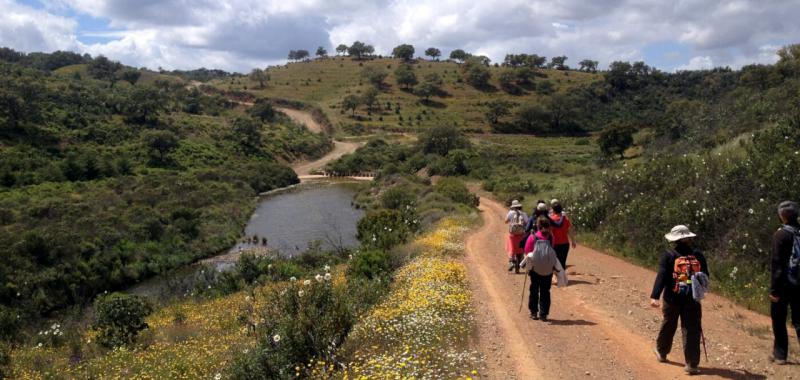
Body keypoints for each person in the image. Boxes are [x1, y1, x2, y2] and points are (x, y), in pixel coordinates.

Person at [650, 225, 709, 375]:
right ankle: (692, 364)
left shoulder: (669, 255)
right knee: (692, 330)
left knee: (669, 324)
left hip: (672, 298)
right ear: (689, 238)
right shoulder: (698, 255)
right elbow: (705, 276)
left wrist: (655, 296)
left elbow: (662, 276)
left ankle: (662, 352)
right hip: (693, 299)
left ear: (675, 239)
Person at [769, 201, 800, 365]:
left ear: (782, 216)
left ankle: (780, 354)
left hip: (784, 284)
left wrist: (774, 290)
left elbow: (777, 263)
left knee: (779, 319)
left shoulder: (781, 235)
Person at [521, 217, 565, 321]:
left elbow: (527, 252)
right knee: (545, 291)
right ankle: (543, 314)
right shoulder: (551, 238)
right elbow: (551, 250)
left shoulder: (533, 237)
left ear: (538, 226)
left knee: (534, 290)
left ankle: (533, 312)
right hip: (548, 269)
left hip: (535, 269)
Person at [549, 199, 576, 270]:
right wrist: (573, 240)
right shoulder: (565, 219)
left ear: (553, 210)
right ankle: (562, 277)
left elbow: (549, 233)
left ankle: (558, 277)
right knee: (563, 261)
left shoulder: (551, 220)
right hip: (565, 244)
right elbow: (570, 230)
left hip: (555, 244)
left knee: (555, 261)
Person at [505, 200, 529, 273]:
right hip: (521, 235)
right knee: (520, 250)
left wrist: (511, 220)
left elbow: (505, 221)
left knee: (511, 249)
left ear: (513, 206)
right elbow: (527, 222)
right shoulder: (524, 214)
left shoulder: (510, 213)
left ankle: (511, 262)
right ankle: (519, 265)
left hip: (512, 235)